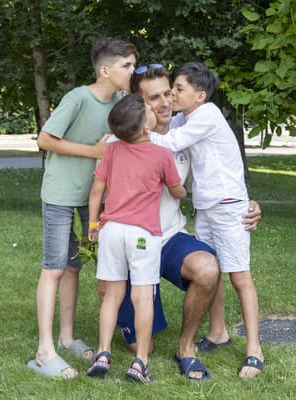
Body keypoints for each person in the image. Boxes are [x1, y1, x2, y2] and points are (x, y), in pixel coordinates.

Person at [112, 64, 262, 381]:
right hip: (131, 246)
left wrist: (246, 203)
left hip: (167, 238)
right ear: (137, 103)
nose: (166, 102)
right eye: (155, 97)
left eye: (170, 92)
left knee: (210, 267)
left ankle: (187, 347)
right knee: (144, 346)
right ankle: (205, 330)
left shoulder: (187, 129)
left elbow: (219, 164)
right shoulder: (118, 142)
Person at [27, 37, 137, 379]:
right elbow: (45, 140)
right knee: (54, 267)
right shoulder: (78, 98)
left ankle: (67, 337)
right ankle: (44, 351)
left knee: (74, 267)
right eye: (127, 66)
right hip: (60, 194)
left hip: (94, 198)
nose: (132, 71)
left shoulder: (120, 102)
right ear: (105, 70)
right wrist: (92, 152)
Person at [86, 94, 186, 383]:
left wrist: (94, 223)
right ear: (144, 128)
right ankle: (140, 362)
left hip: (111, 230)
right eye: (148, 109)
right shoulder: (161, 154)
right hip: (143, 234)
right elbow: (176, 189)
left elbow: (96, 190)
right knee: (143, 297)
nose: (153, 108)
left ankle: (103, 353)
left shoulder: (113, 150)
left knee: (112, 296)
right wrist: (182, 192)